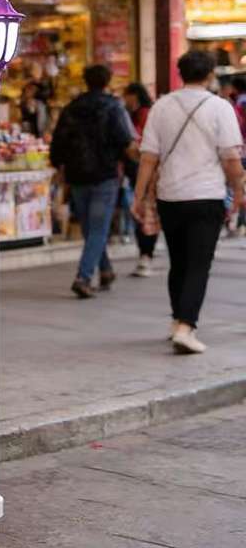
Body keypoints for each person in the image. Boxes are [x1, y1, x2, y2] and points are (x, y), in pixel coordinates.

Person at [132, 50, 245, 354]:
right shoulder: (220, 108)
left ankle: (176, 321)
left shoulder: (161, 106)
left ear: (180, 73)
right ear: (210, 75)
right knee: (199, 263)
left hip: (170, 196)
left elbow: (148, 157)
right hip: (207, 196)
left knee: (179, 262)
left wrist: (138, 196)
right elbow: (231, 158)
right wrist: (239, 191)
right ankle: (186, 326)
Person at [50, 64, 134, 298]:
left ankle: (106, 270)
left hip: (77, 175)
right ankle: (84, 277)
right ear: (108, 81)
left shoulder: (72, 108)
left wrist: (59, 165)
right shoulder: (113, 107)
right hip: (104, 175)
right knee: (97, 228)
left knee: (91, 227)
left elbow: (58, 142)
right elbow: (124, 140)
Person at [122, 82, 157, 275]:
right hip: (138, 172)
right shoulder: (134, 114)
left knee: (144, 213)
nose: (124, 99)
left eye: (126, 95)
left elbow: (144, 146)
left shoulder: (144, 114)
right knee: (143, 214)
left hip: (143, 171)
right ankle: (145, 255)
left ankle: (146, 255)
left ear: (134, 95)